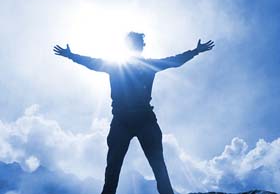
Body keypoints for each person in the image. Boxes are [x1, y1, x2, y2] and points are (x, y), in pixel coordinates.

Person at [53, 32, 214, 194]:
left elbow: (174, 61)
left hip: (141, 120)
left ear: (138, 47)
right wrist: (71, 55)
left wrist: (195, 51)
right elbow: (92, 62)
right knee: (116, 167)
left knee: (152, 165)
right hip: (125, 120)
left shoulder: (131, 66)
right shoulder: (121, 65)